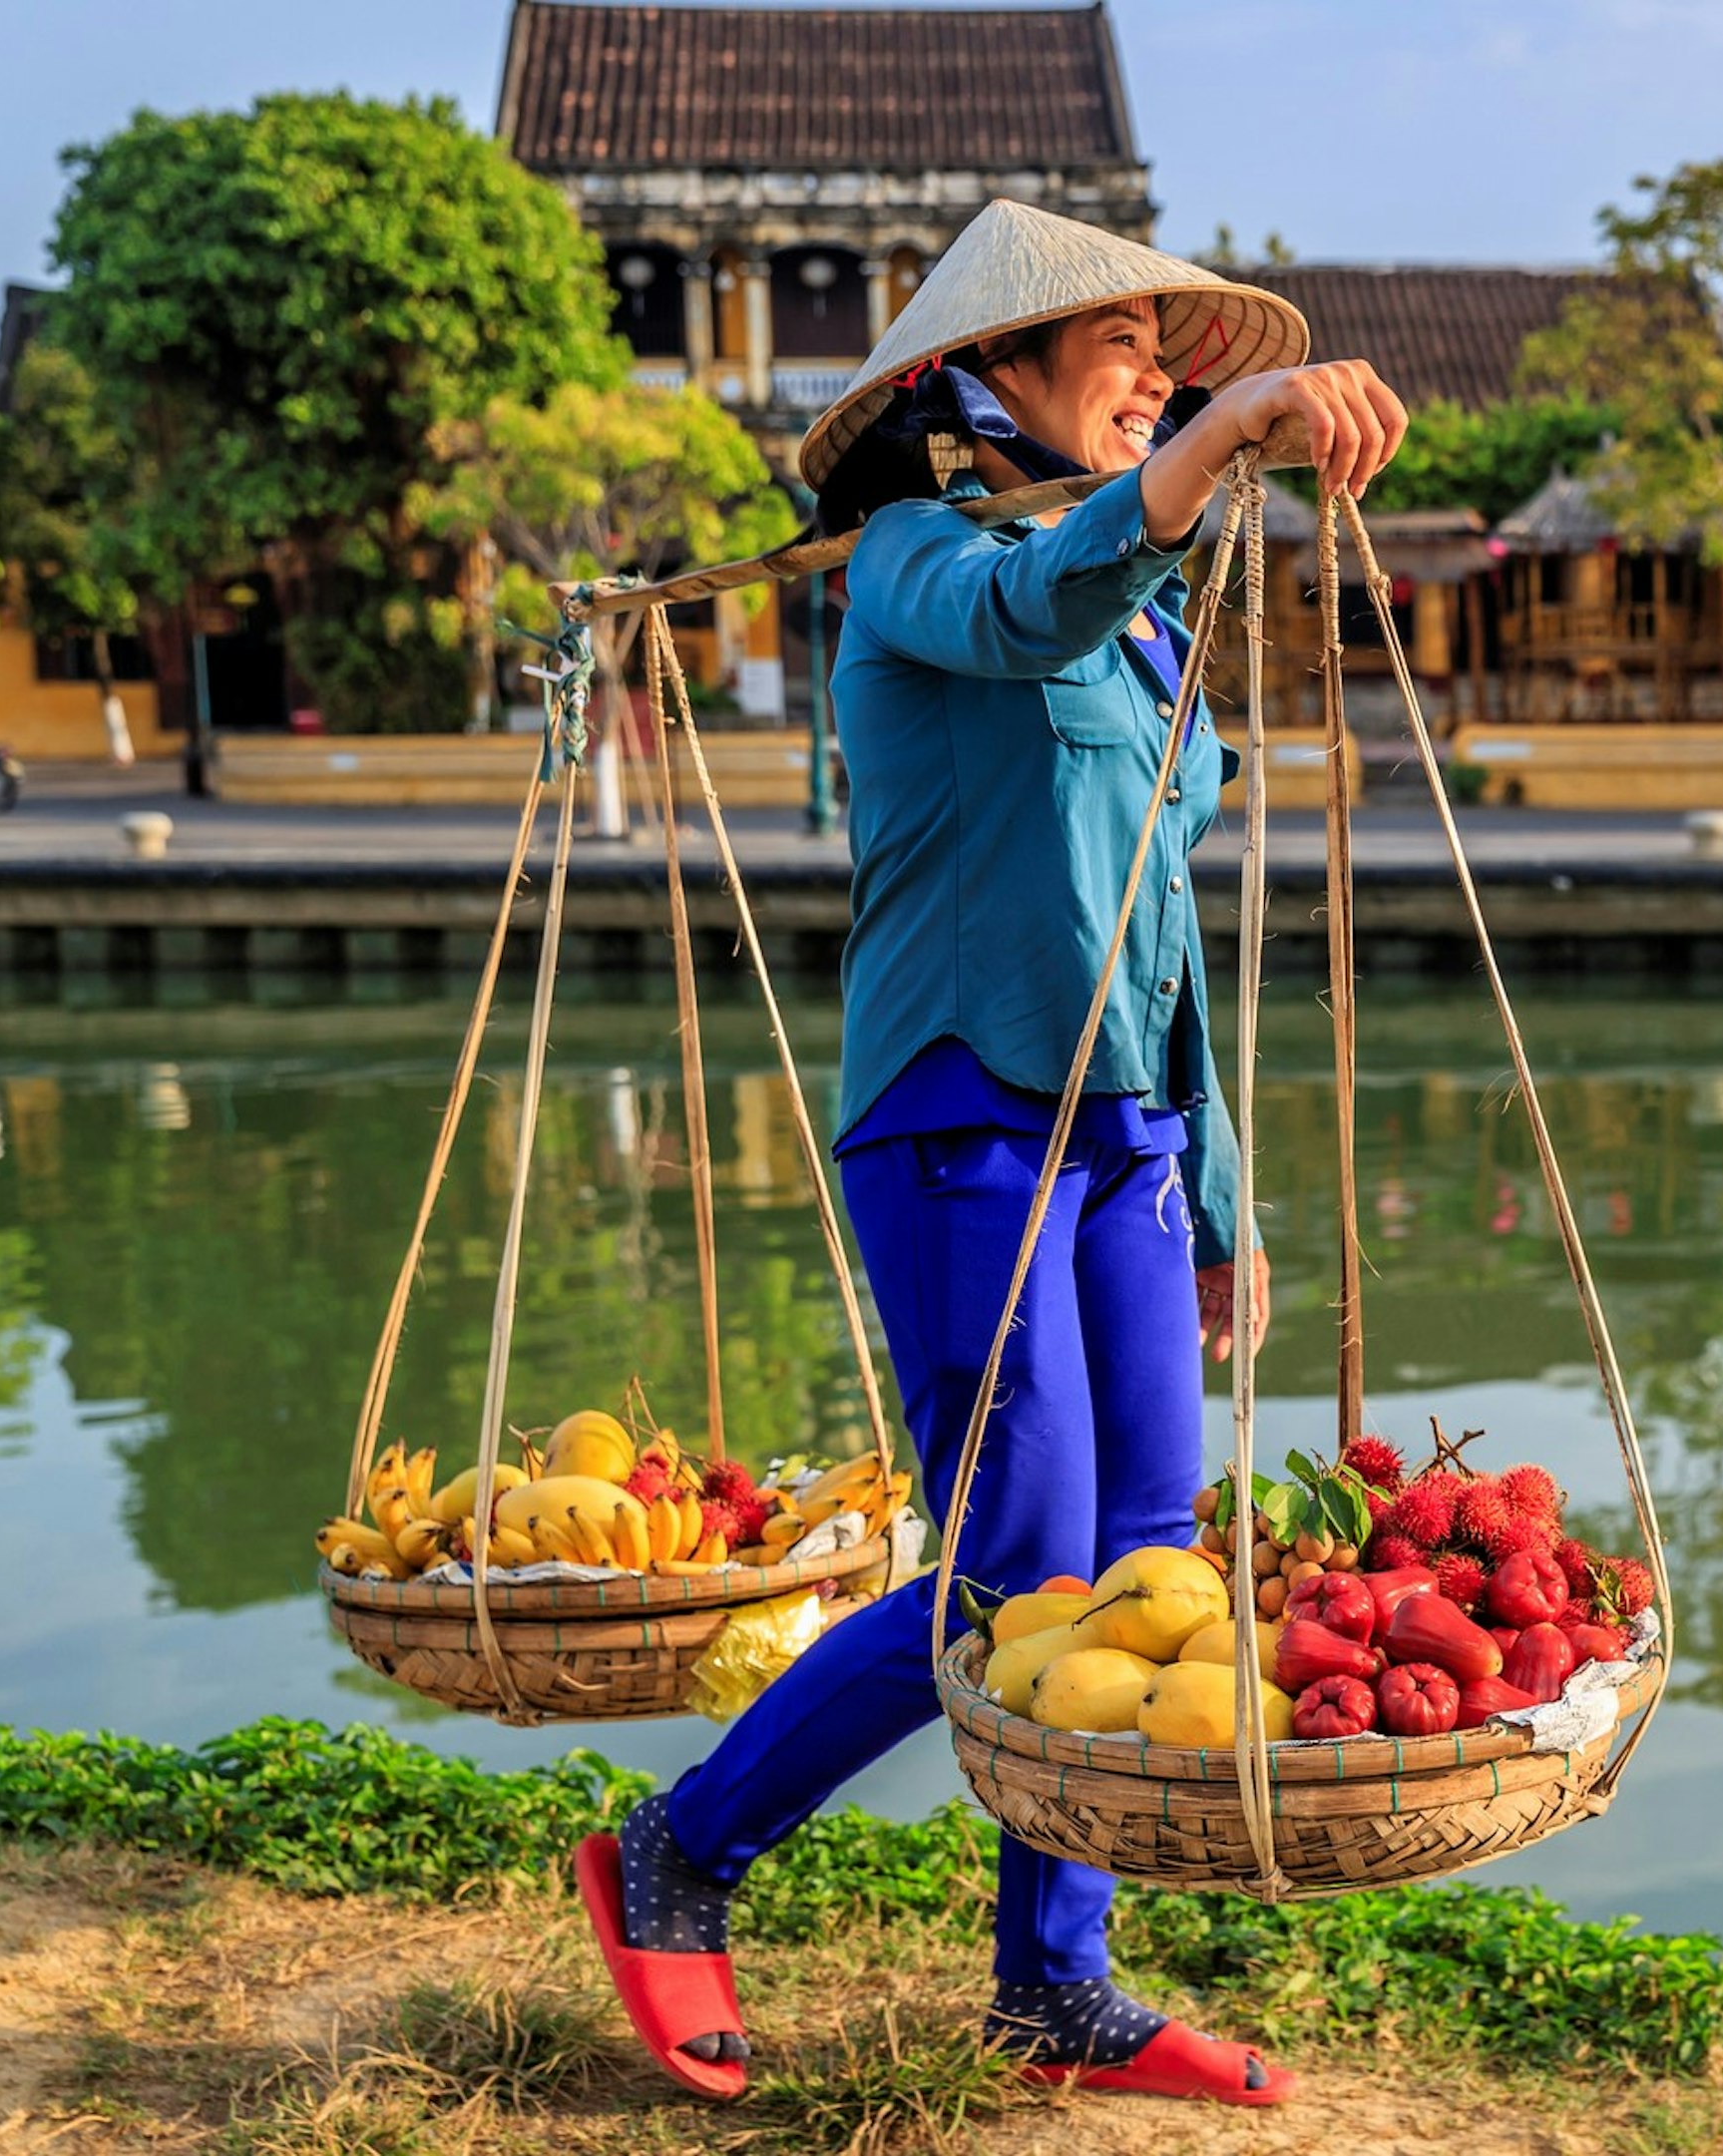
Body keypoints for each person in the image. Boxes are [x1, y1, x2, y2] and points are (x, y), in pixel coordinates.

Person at [570, 201, 1406, 2111]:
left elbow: (1160, 925)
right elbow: (1034, 602)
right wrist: (1224, 439)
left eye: (1170, 356)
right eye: (1121, 344)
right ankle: (679, 1853)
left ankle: (1058, 1988)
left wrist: (1217, 1201)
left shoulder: (1149, 627)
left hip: (1122, 1135)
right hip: (963, 1116)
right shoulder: (915, 564)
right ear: (990, 378)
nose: (1159, 376)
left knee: (1130, 1573)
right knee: (1003, 1573)